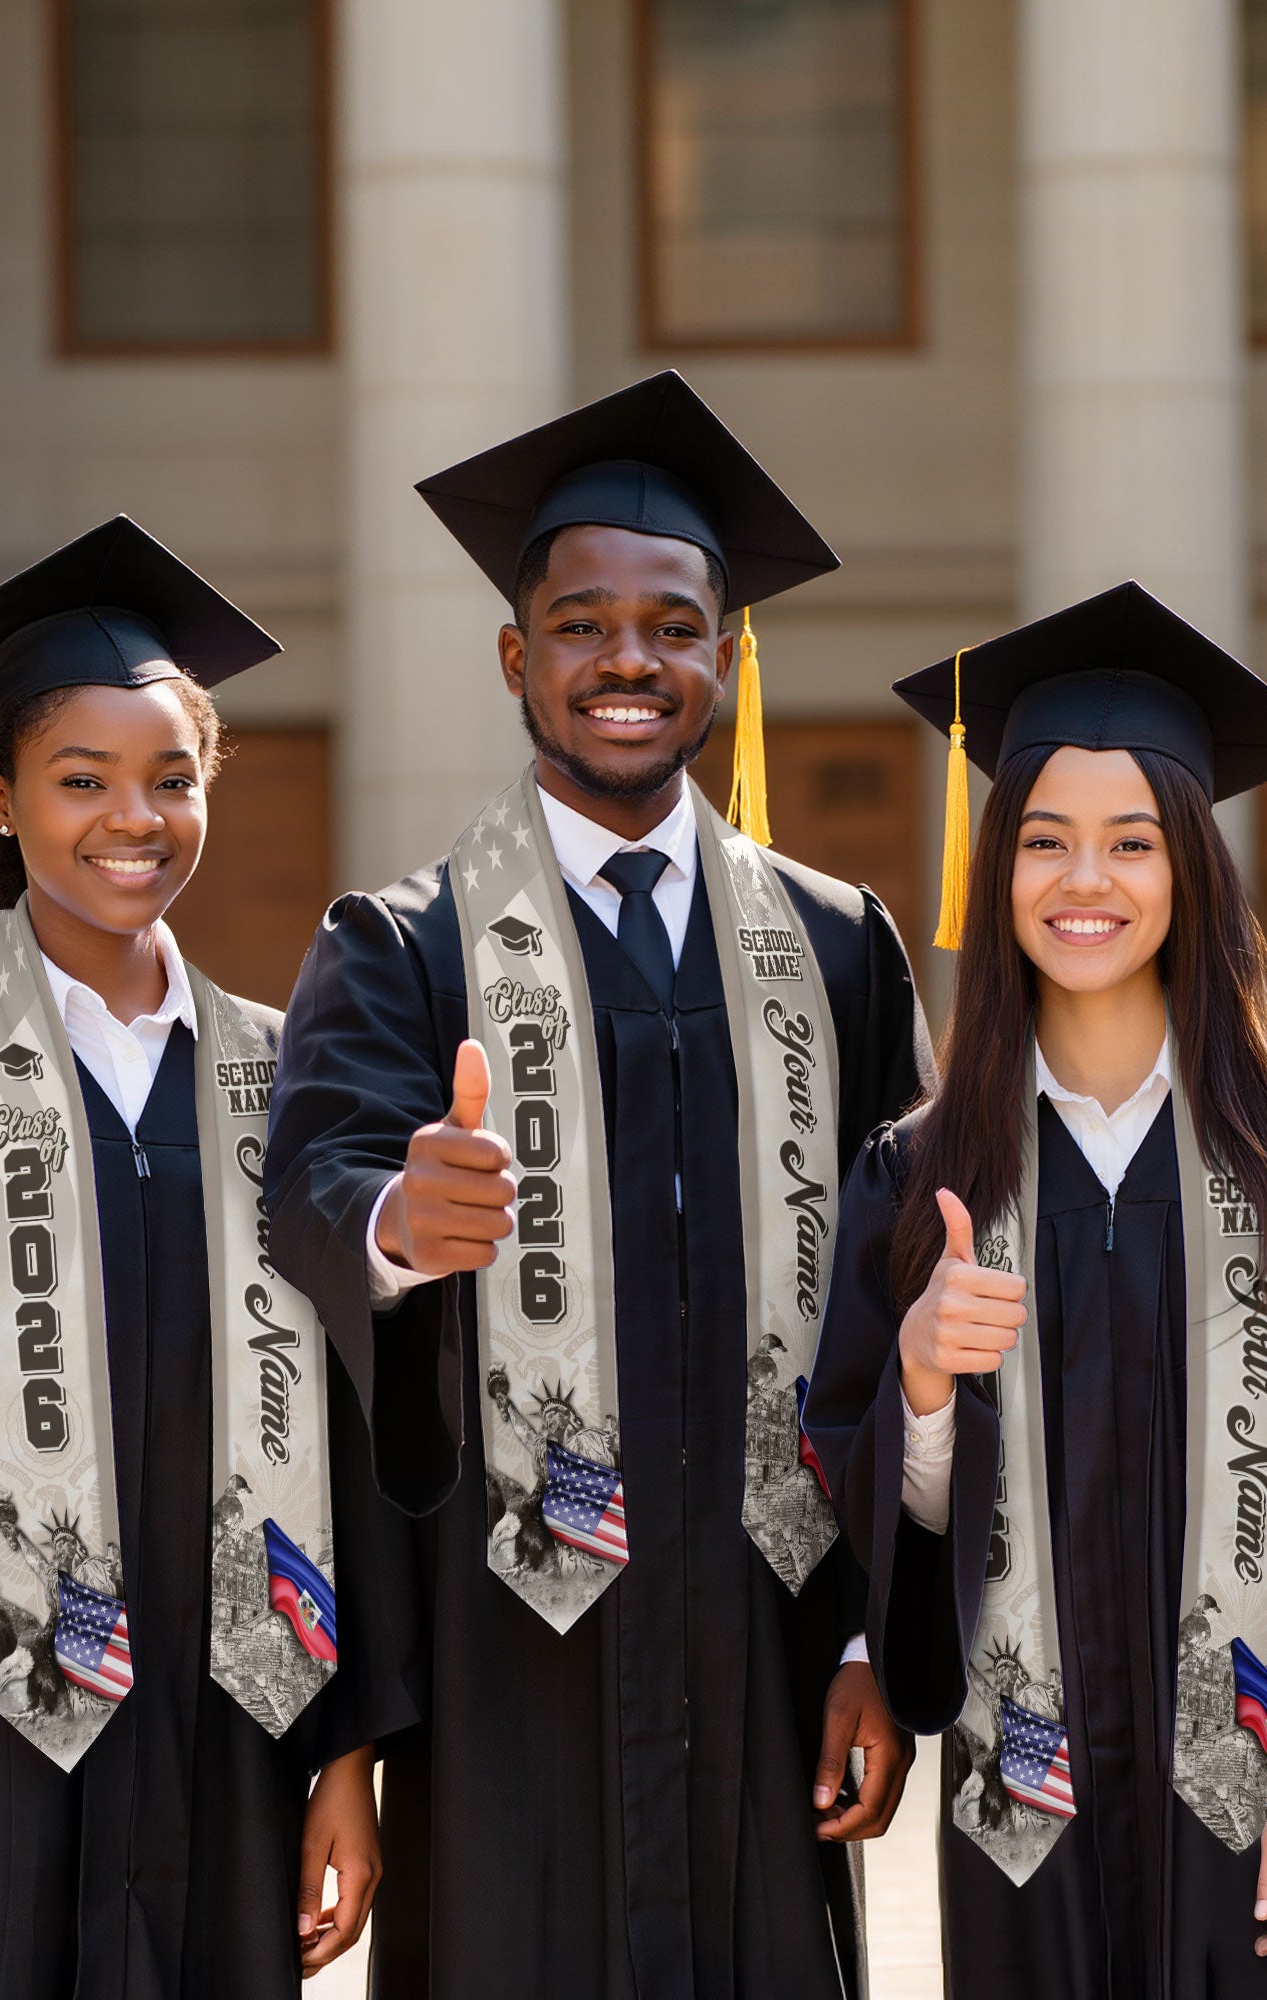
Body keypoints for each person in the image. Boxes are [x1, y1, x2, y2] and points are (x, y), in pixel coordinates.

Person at [264, 372, 932, 1997]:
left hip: (773, 1640)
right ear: (517, 657)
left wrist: (872, 1643)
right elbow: (309, 1192)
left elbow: (911, 1299)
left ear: (726, 656)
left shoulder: (835, 949)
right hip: (512, 1655)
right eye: (580, 624)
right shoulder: (404, 948)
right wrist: (397, 1223)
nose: (627, 660)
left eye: (672, 624)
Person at [805, 582, 1267, 1999]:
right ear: (996, 871)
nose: (1087, 883)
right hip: (1029, 1798)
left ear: (1190, 869)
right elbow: (873, 1508)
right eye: (1046, 842)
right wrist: (926, 1389)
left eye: (1132, 843)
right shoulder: (925, 1168)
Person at [0, 517, 422, 2000]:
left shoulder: (288, 1081)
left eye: (173, 780)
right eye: (81, 781)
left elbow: (363, 1439)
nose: (134, 818)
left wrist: (349, 1759)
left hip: (224, 1728)